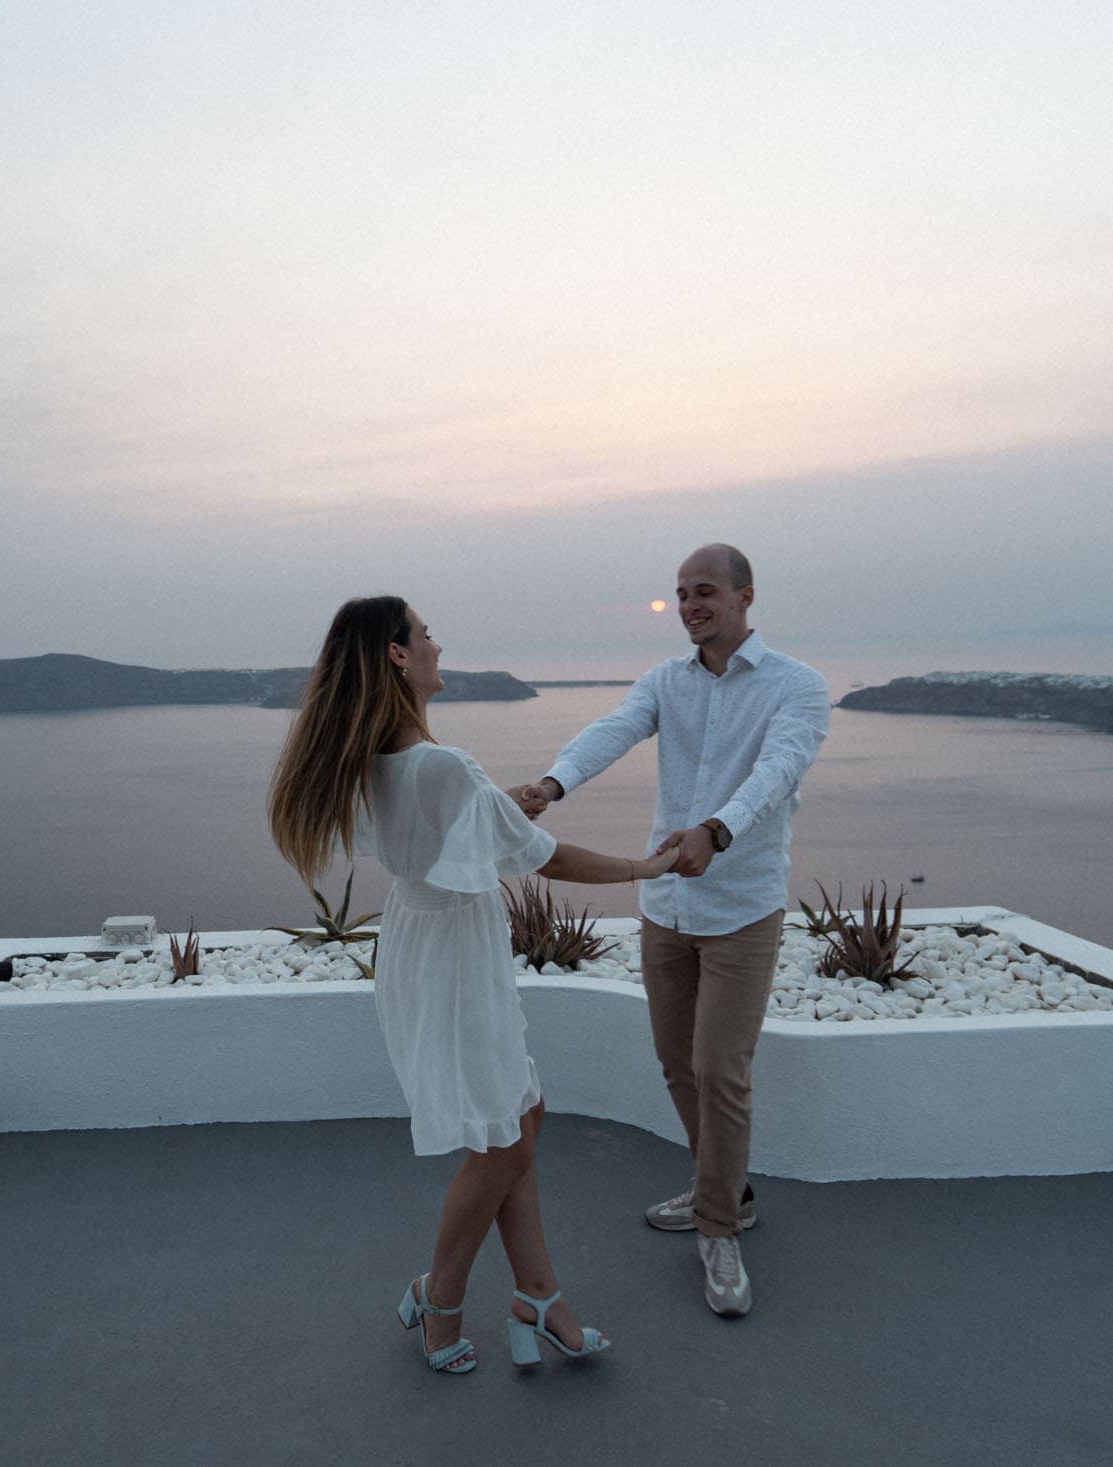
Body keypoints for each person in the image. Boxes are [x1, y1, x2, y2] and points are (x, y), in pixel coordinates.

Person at [269, 595, 677, 1375]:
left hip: (428, 944)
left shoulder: (385, 759)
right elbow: (544, 857)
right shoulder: (443, 765)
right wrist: (644, 867)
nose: (436, 643)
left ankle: (537, 1297)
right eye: (424, 633)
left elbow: (456, 826)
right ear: (396, 654)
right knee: (500, 1142)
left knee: (519, 1117)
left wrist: (500, 809)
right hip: (455, 956)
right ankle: (442, 1297)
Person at [524, 544, 829, 1319]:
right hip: (667, 908)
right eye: (682, 594)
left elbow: (778, 772)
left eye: (706, 592)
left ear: (745, 597)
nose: (692, 605)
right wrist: (553, 783)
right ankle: (725, 1186)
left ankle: (719, 1226)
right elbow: (616, 728)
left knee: (719, 1069)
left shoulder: (798, 687)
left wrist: (716, 832)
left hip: (741, 909)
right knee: (674, 1063)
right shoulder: (665, 682)